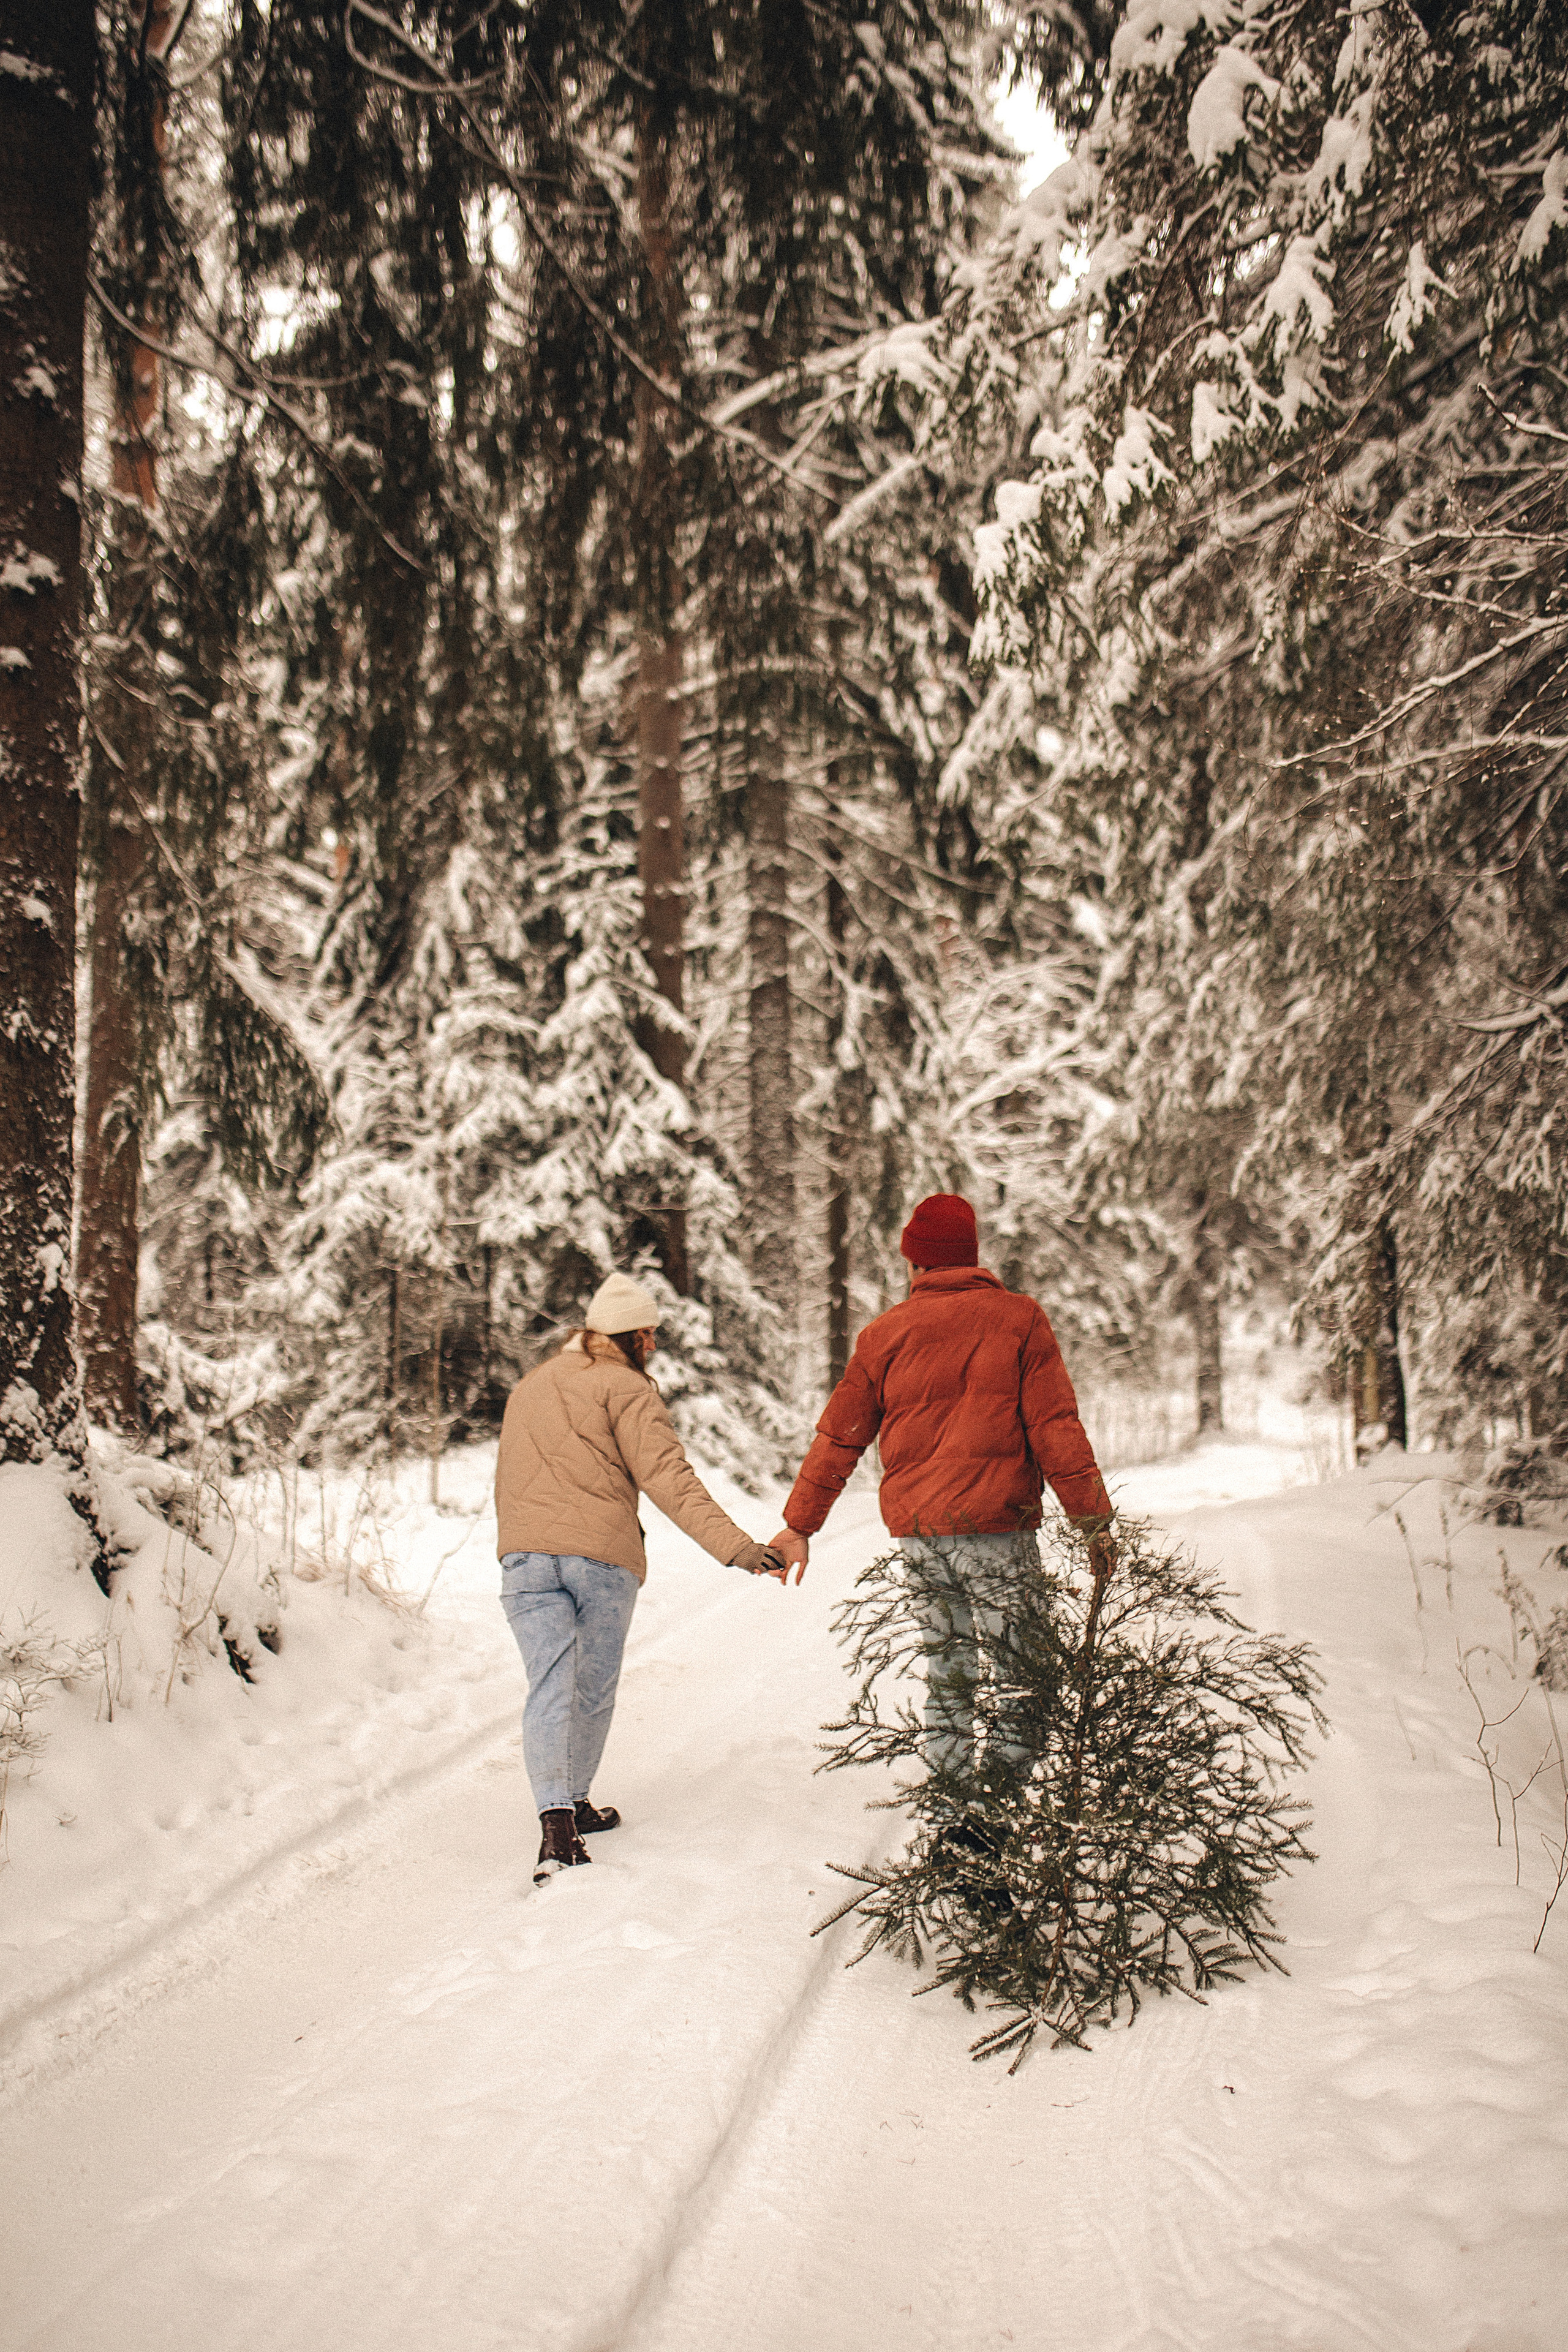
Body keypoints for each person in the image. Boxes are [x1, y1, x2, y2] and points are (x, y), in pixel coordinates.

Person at [769, 1193, 1115, 1787]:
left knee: (949, 1676)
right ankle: (993, 1814)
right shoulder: (1019, 1319)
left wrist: (799, 1525)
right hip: (996, 1528)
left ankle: (952, 1808)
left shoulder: (883, 1335)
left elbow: (839, 1438)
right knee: (1022, 1675)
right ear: (970, 1257)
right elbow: (1055, 1427)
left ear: (915, 1263)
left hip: (922, 1537)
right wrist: (1094, 1523)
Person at [496, 1270, 786, 1885]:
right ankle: (571, 1807)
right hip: (600, 1559)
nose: (651, 1345)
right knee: (592, 1688)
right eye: (645, 1335)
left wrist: (521, 1545)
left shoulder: (531, 1384)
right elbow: (669, 1479)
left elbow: (511, 1475)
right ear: (624, 1336)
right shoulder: (626, 1388)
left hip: (525, 1559)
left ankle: (560, 1819)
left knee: (548, 1685)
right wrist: (738, 1549)